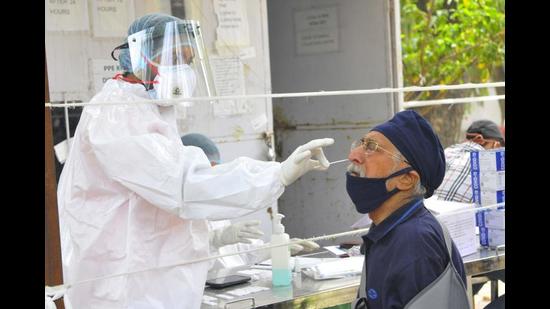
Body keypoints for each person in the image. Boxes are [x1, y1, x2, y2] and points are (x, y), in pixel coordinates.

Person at [56, 13, 334, 309]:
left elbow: (172, 213)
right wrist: (276, 175)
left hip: (148, 283)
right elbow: (182, 186)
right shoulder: (116, 112)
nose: (184, 70)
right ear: (140, 55)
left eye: (188, 61)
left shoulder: (149, 108)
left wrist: (240, 243)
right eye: (175, 57)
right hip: (120, 288)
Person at [346, 110, 469, 309]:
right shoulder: (389, 229)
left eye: (371, 147)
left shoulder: (414, 242)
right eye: (361, 143)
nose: (354, 156)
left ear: (406, 179)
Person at [180, 133, 319, 271]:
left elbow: (240, 255)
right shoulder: (174, 210)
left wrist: (274, 248)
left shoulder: (215, 204)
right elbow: (179, 259)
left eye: (217, 168)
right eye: (208, 168)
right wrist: (215, 239)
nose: (213, 175)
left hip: (234, 280)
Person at [434, 119, 505, 203]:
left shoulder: (447, 151)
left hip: (429, 212)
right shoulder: (489, 162)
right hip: (462, 215)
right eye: (499, 147)